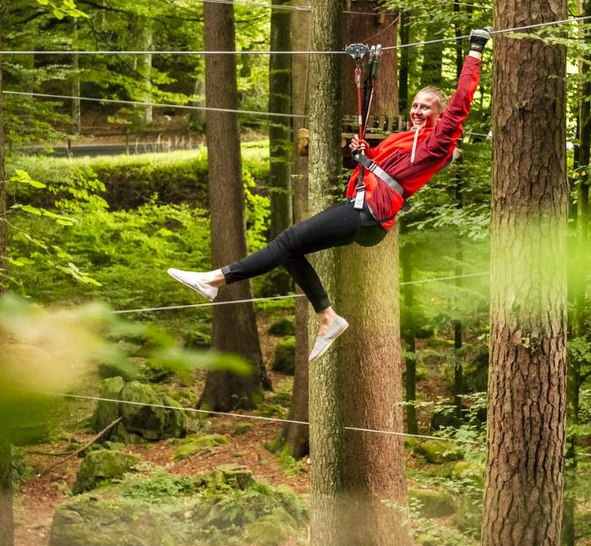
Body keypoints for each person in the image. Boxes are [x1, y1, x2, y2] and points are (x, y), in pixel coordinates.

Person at [169, 28, 490, 361]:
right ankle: (327, 318)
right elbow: (382, 165)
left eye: (427, 108)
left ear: (440, 116)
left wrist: (475, 50)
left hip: (368, 215)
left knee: (286, 242)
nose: (418, 111)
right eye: (415, 105)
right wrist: (364, 153)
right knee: (290, 250)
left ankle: (216, 280)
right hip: (361, 210)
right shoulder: (404, 139)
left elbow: (461, 100)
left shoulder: (436, 144)